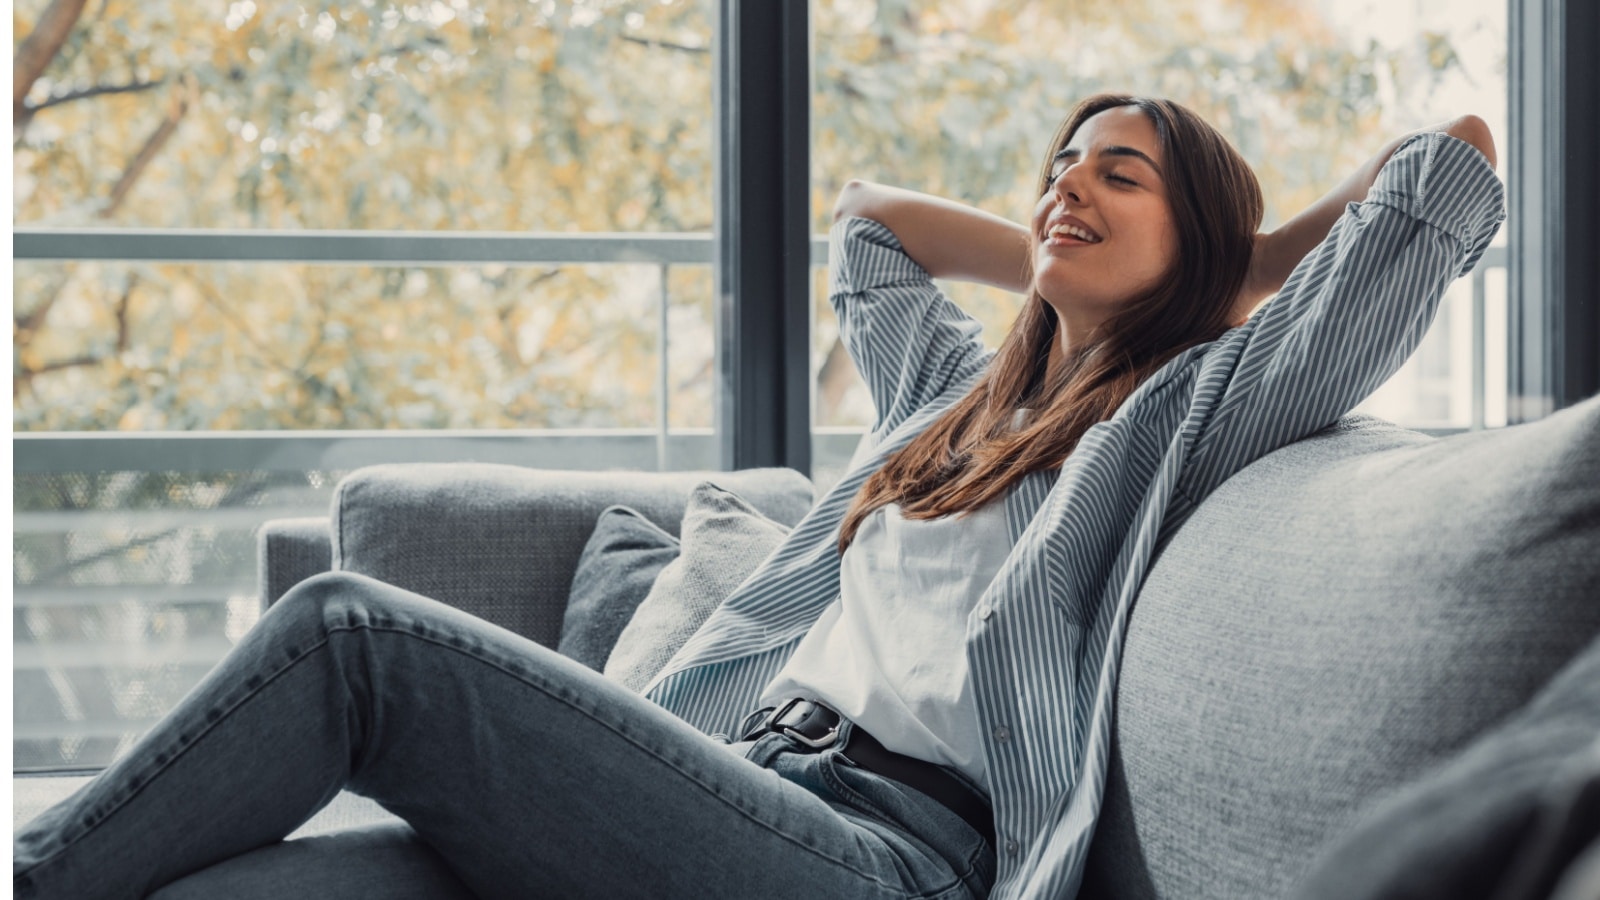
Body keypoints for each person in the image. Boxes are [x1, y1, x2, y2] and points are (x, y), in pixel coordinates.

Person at [13, 94, 1503, 900]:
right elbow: (866, 225)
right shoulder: (947, 406)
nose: (1067, 187)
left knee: (352, 640)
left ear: (1202, 237)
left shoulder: (1189, 409)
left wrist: (1239, 271)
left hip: (877, 854)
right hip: (729, 782)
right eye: (1058, 165)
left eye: (1121, 174)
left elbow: (1453, 161)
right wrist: (1076, 234)